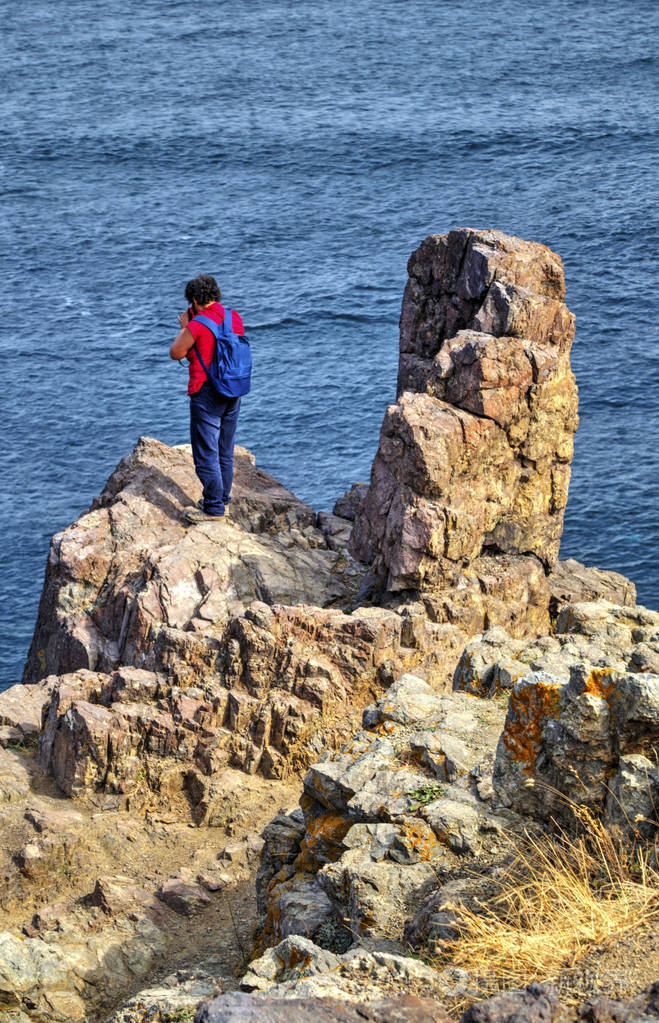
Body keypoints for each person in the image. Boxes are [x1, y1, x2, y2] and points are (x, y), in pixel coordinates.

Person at [169, 274, 245, 522]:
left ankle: (213, 508)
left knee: (206, 452)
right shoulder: (234, 317)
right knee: (225, 449)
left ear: (194, 300)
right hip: (232, 389)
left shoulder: (197, 324)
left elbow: (176, 352)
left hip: (206, 392)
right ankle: (222, 499)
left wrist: (185, 327)